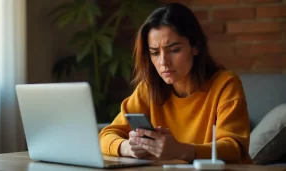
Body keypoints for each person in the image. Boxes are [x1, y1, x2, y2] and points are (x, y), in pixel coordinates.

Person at [99, 2, 252, 164]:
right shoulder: (149, 88)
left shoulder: (226, 84)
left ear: (195, 47)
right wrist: (129, 148)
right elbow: (106, 135)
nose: (163, 62)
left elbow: (235, 148)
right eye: (155, 53)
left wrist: (181, 151)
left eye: (174, 50)